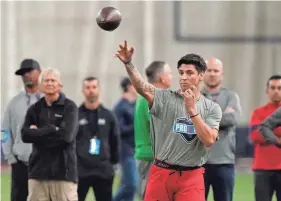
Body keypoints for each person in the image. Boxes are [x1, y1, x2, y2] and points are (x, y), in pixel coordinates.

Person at [114, 40, 222, 201]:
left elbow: (209, 139)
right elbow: (142, 87)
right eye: (181, 72)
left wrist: (192, 111)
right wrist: (129, 63)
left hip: (191, 176)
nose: (184, 77)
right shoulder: (166, 98)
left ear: (201, 75)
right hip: (161, 172)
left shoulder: (211, 108)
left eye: (190, 73)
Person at [21, 67, 79, 201]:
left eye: (53, 80)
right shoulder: (34, 109)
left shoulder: (70, 107)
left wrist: (38, 133)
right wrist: (52, 129)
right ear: (41, 85)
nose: (50, 83)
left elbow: (66, 137)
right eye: (46, 80)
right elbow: (25, 135)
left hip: (64, 174)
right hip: (38, 174)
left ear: (60, 84)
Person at [201, 58, 242, 201]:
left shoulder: (231, 96)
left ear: (221, 74)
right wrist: (221, 115)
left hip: (224, 162)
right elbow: (190, 120)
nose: (212, 74)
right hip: (199, 162)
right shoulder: (194, 96)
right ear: (202, 73)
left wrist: (203, 119)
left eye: (216, 71)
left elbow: (231, 119)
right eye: (209, 70)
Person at [2, 59, 42, 201]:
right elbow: (4, 131)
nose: (26, 75)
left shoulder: (49, 100)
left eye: (29, 71)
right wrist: (10, 157)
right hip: (20, 165)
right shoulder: (14, 103)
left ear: (39, 73)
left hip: (44, 164)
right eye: (23, 73)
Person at [76, 76, 120, 201]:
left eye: (94, 87)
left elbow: (115, 141)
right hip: (81, 171)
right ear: (83, 91)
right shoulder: (75, 115)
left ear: (99, 89)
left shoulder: (108, 115)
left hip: (103, 171)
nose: (91, 90)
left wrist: (113, 165)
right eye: (87, 87)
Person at [134, 61, 173, 199]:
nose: (172, 76)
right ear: (162, 78)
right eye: (169, 73)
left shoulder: (152, 95)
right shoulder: (150, 97)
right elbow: (159, 125)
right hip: (150, 157)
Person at [249, 75, 281, 201]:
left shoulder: (261, 116)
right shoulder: (258, 112)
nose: (276, 91)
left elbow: (262, 131)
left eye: (279, 88)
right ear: (267, 91)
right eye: (272, 88)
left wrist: (267, 128)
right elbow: (255, 136)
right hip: (263, 169)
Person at [113, 77, 139, 201]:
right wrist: (136, 125)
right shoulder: (120, 107)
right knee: (131, 184)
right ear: (129, 87)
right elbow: (118, 130)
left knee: (128, 184)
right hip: (125, 150)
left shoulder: (133, 105)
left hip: (134, 150)